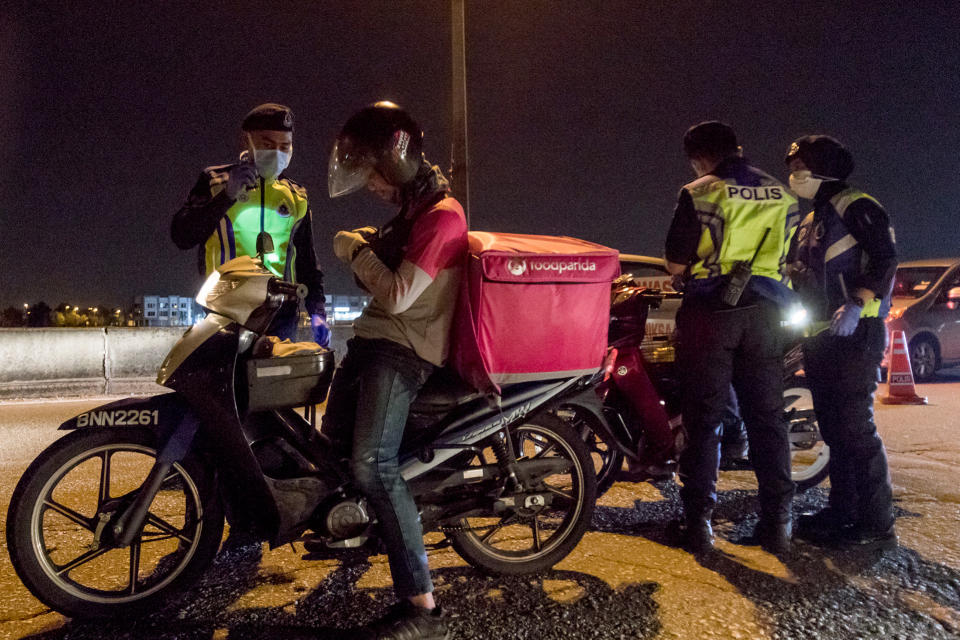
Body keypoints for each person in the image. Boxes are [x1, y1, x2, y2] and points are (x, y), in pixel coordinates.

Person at [321, 101, 468, 639]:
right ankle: (360, 529)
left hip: (403, 349)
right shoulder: (412, 210)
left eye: (375, 174)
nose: (372, 186)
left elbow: (402, 295)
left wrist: (356, 251)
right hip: (372, 341)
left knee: (373, 464)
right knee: (332, 444)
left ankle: (424, 610)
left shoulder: (441, 215)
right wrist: (369, 243)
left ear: (399, 156)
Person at [664, 121, 799, 554]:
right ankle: (778, 524)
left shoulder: (700, 191)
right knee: (767, 418)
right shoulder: (782, 193)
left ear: (700, 156)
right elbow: (792, 255)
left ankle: (698, 525)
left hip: (711, 313)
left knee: (704, 420)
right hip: (766, 313)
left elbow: (674, 261)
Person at [785, 135, 898, 551]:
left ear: (819, 165)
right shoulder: (812, 216)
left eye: (797, 163)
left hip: (857, 333)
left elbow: (885, 259)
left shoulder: (856, 204)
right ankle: (843, 511)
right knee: (833, 429)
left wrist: (857, 303)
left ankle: (877, 522)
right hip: (821, 336)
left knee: (855, 430)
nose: (792, 172)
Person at [171, 103, 328, 345]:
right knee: (228, 383)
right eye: (267, 144)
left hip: (282, 314)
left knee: (275, 382)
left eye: (284, 146)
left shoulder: (297, 196)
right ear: (247, 141)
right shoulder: (214, 181)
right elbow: (182, 235)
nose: (277, 152)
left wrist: (318, 312)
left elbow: (307, 261)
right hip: (225, 312)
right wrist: (227, 196)